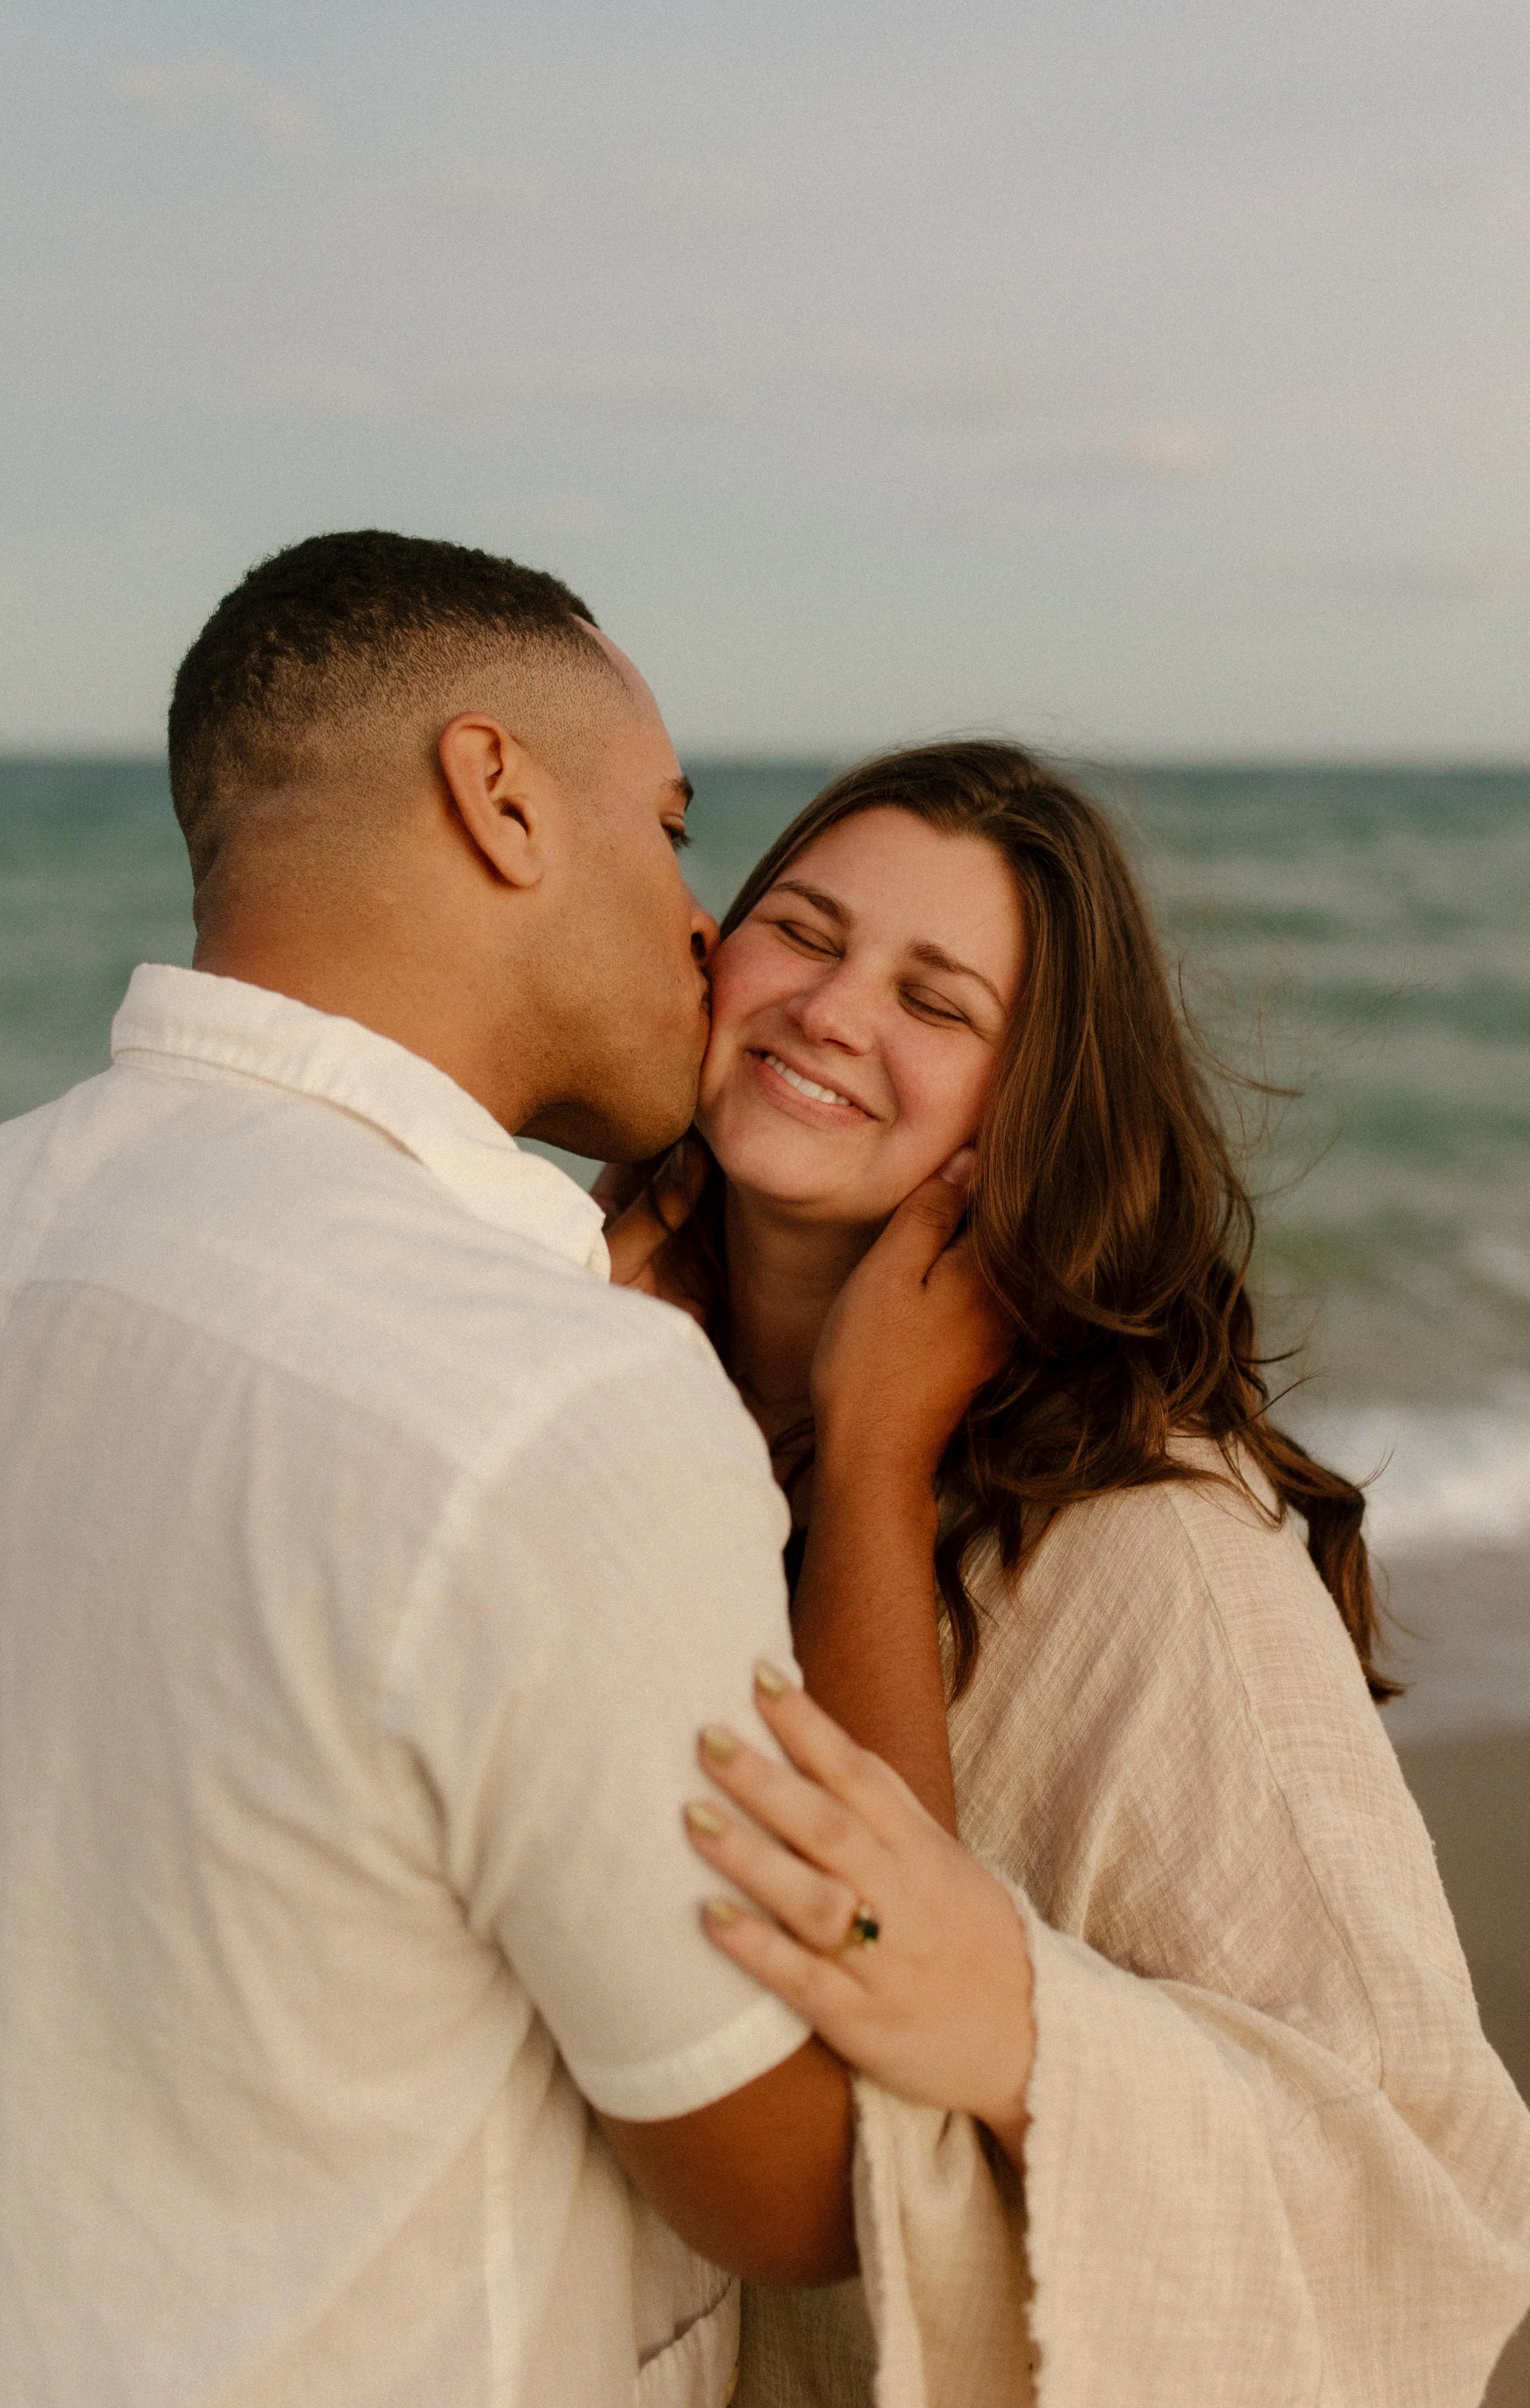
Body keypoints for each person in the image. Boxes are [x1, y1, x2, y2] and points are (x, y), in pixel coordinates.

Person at [0, 534, 998, 2408]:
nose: (707, 925)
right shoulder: (547, 1402)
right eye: (673, 827)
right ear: (499, 794)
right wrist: (869, 1464)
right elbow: (802, 2181)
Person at [613, 743, 1530, 2405]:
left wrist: (1022, 2020)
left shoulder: (1158, 1545)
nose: (833, 1010)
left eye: (938, 1000)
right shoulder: (608, 1382)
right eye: (805, 932)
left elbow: (1428, 2190)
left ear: (1026, 1110)